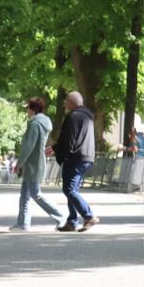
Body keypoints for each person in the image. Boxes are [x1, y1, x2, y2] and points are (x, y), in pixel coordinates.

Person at [10, 97, 65, 231]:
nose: (27, 111)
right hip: (34, 164)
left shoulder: (35, 124)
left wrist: (19, 164)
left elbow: (28, 146)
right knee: (25, 195)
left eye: (28, 108)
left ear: (33, 109)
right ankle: (23, 224)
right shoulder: (42, 123)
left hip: (33, 165)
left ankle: (60, 216)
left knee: (35, 194)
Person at [53, 91, 99, 232]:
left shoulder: (73, 116)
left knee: (69, 189)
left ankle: (88, 215)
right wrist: (55, 148)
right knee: (72, 190)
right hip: (86, 157)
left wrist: (64, 155)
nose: (65, 103)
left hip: (75, 158)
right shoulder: (87, 117)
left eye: (66, 100)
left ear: (72, 102)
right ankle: (72, 222)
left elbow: (69, 139)